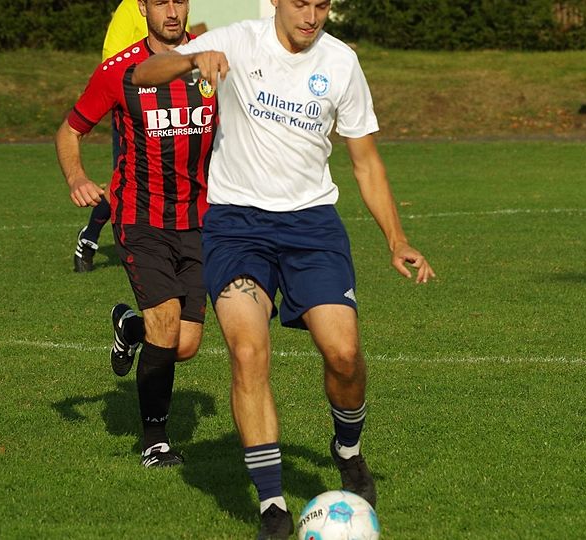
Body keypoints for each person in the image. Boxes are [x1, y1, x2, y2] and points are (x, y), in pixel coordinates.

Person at [131, 0, 436, 536]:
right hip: (236, 226)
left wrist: (396, 239)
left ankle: (348, 450)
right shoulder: (237, 40)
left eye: (322, 5)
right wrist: (191, 59)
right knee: (249, 352)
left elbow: (365, 161)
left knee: (344, 354)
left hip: (312, 227)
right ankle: (272, 505)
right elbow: (143, 74)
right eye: (300, 3)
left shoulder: (341, 62)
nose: (311, 16)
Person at [55, 0, 217, 468]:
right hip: (141, 220)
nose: (172, 10)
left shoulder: (209, 61)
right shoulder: (119, 71)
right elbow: (70, 130)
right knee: (165, 324)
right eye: (160, 1)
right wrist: (77, 178)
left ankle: (130, 327)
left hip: (199, 220)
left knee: (184, 344)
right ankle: (155, 442)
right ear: (142, 7)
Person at [72, 0, 148, 272]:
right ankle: (89, 237)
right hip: (135, 110)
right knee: (126, 181)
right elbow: (111, 61)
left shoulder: (176, 7)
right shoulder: (129, 8)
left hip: (172, 111)